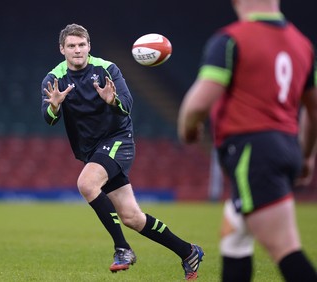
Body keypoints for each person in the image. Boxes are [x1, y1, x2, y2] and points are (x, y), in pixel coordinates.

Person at [41, 23, 204, 280]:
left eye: (82, 45)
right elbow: (48, 118)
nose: (77, 50)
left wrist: (112, 100)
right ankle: (188, 251)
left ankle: (123, 249)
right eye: (71, 46)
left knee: (86, 183)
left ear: (89, 46)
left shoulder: (107, 69)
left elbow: (126, 105)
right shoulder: (54, 79)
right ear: (62, 49)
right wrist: (54, 107)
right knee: (131, 217)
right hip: (92, 150)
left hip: (118, 140)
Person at [177, 0, 317, 281]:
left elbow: (198, 105)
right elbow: (313, 109)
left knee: (285, 249)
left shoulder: (230, 40)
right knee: (234, 239)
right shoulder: (302, 44)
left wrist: (188, 130)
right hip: (285, 146)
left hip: (253, 153)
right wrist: (305, 155)